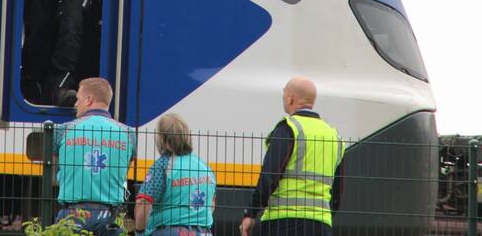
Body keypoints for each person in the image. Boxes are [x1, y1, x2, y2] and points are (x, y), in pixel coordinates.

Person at [240, 77, 345, 236]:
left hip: (283, 221)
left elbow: (269, 176)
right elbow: (338, 189)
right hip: (321, 224)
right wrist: (324, 215)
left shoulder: (289, 128)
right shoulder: (334, 136)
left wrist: (251, 213)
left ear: (290, 99)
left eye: (284, 94)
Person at [55, 77, 137, 235]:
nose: (75, 104)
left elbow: (56, 165)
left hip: (72, 215)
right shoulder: (129, 134)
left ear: (89, 99)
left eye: (78, 98)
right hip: (110, 216)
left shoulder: (64, 130)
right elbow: (125, 170)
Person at [134, 113, 216, 236]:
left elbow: (143, 202)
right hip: (203, 232)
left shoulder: (163, 165)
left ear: (162, 138)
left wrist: (139, 231)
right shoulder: (205, 167)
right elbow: (211, 205)